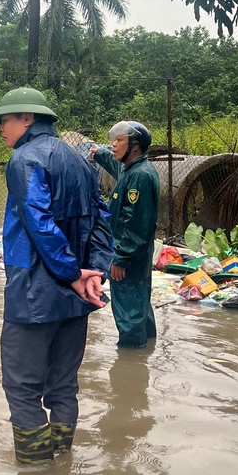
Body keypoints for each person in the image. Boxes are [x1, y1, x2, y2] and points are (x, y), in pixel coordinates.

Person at [0, 87, 113, 464]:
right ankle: (62, 460)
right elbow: (101, 219)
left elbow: (38, 222)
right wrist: (94, 274)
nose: (0, 129)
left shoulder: (24, 159)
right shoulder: (79, 161)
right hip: (75, 296)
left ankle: (36, 473)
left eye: (4, 121)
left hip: (34, 291)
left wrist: (71, 271)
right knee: (62, 386)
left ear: (27, 119)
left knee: (22, 387)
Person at [90, 121, 159, 349]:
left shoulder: (139, 177)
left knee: (129, 312)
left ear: (135, 146)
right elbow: (115, 163)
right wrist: (99, 154)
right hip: (137, 257)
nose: (114, 144)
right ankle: (147, 347)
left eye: (119, 140)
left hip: (129, 259)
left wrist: (121, 258)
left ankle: (131, 364)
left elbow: (136, 224)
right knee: (140, 304)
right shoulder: (132, 169)